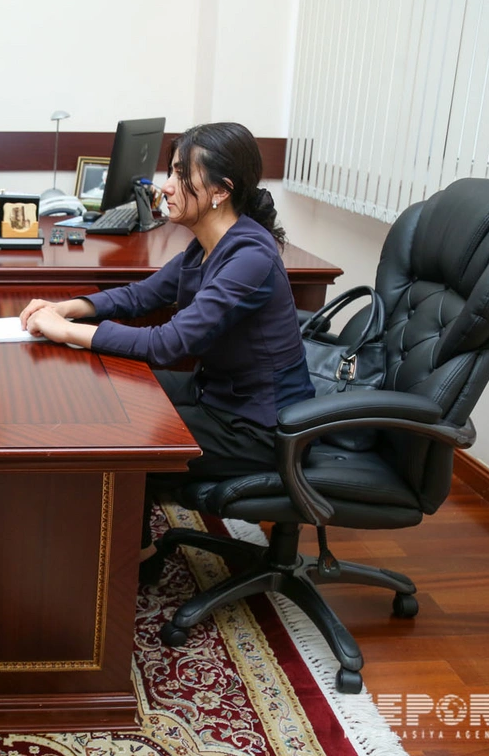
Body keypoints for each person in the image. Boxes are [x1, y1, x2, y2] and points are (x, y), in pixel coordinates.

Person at [19, 121, 315, 569]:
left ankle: (134, 561)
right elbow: (142, 295)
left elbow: (168, 344)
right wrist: (67, 308)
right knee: (110, 390)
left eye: (180, 175)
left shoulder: (250, 255)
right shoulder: (206, 246)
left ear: (220, 191)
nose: (166, 187)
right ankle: (124, 544)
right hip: (217, 393)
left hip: (257, 426)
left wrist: (67, 331)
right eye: (171, 172)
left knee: (119, 439)